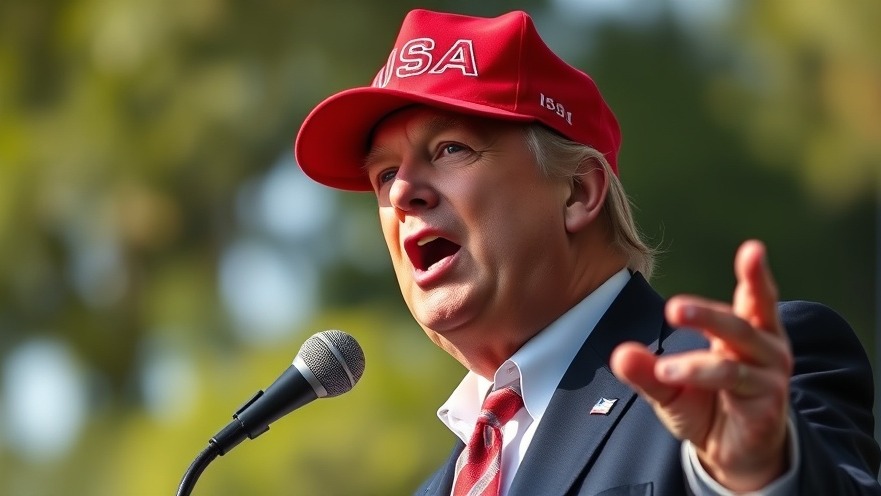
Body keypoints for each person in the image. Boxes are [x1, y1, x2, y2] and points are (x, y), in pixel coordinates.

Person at [293, 9, 881, 495]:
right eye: (384, 174)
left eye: (450, 149)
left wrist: (760, 474)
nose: (402, 192)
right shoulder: (436, 488)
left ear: (578, 192)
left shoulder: (737, 384)